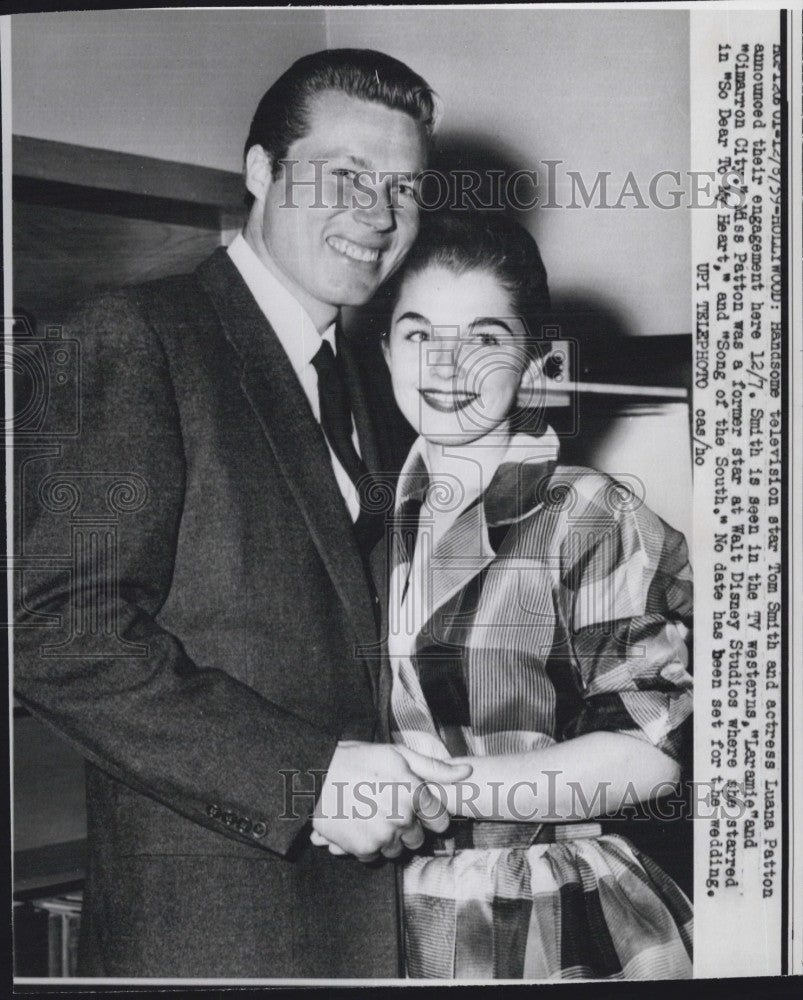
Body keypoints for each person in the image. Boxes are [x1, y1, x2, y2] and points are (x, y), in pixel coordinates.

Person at [14, 49, 471, 979]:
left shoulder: (372, 384)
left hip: (372, 923)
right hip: (215, 933)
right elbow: (54, 631)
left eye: (402, 187)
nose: (378, 215)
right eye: (345, 176)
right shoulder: (133, 334)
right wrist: (309, 778)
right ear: (260, 172)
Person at [371, 211, 694, 979]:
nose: (445, 367)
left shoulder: (589, 513)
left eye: (483, 338)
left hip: (543, 907)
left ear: (533, 360)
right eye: (418, 335)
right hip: (383, 915)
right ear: (384, 351)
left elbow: (647, 757)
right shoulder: (365, 516)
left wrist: (430, 790)